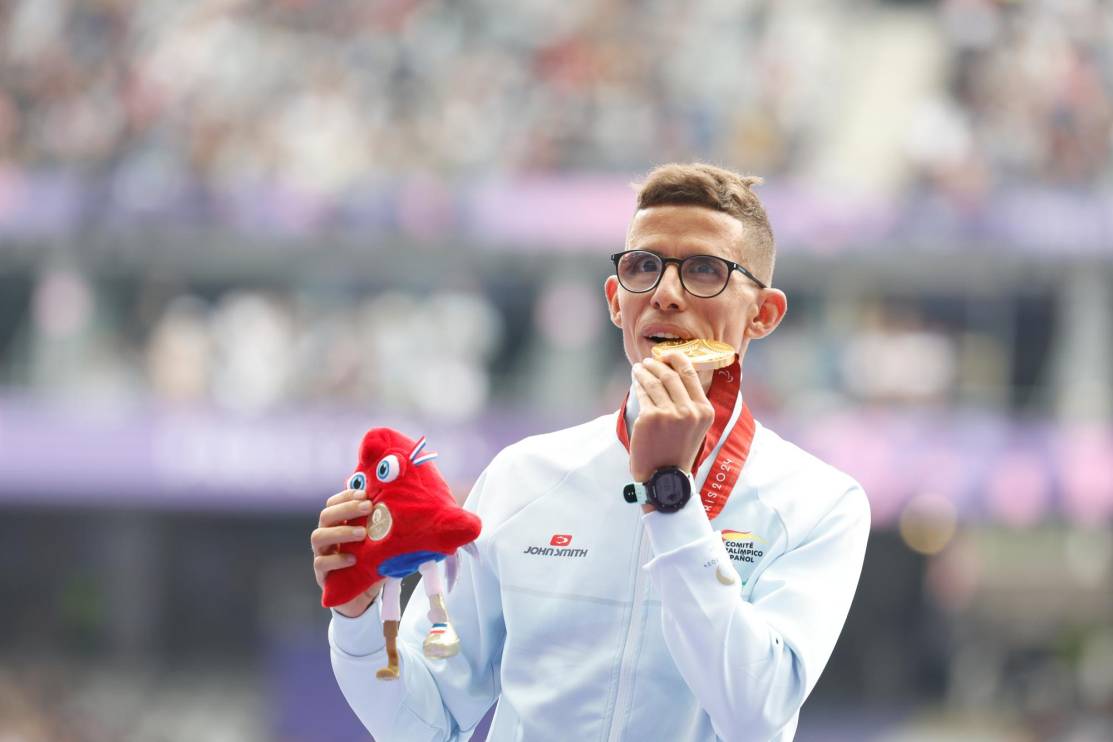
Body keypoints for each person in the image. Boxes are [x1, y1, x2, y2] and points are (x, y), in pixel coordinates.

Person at [310, 163, 871, 742]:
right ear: (614, 301)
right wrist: (356, 615)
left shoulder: (820, 503)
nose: (667, 294)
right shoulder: (523, 477)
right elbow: (421, 724)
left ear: (764, 314)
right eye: (643, 268)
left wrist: (670, 495)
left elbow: (755, 712)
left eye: (705, 270)